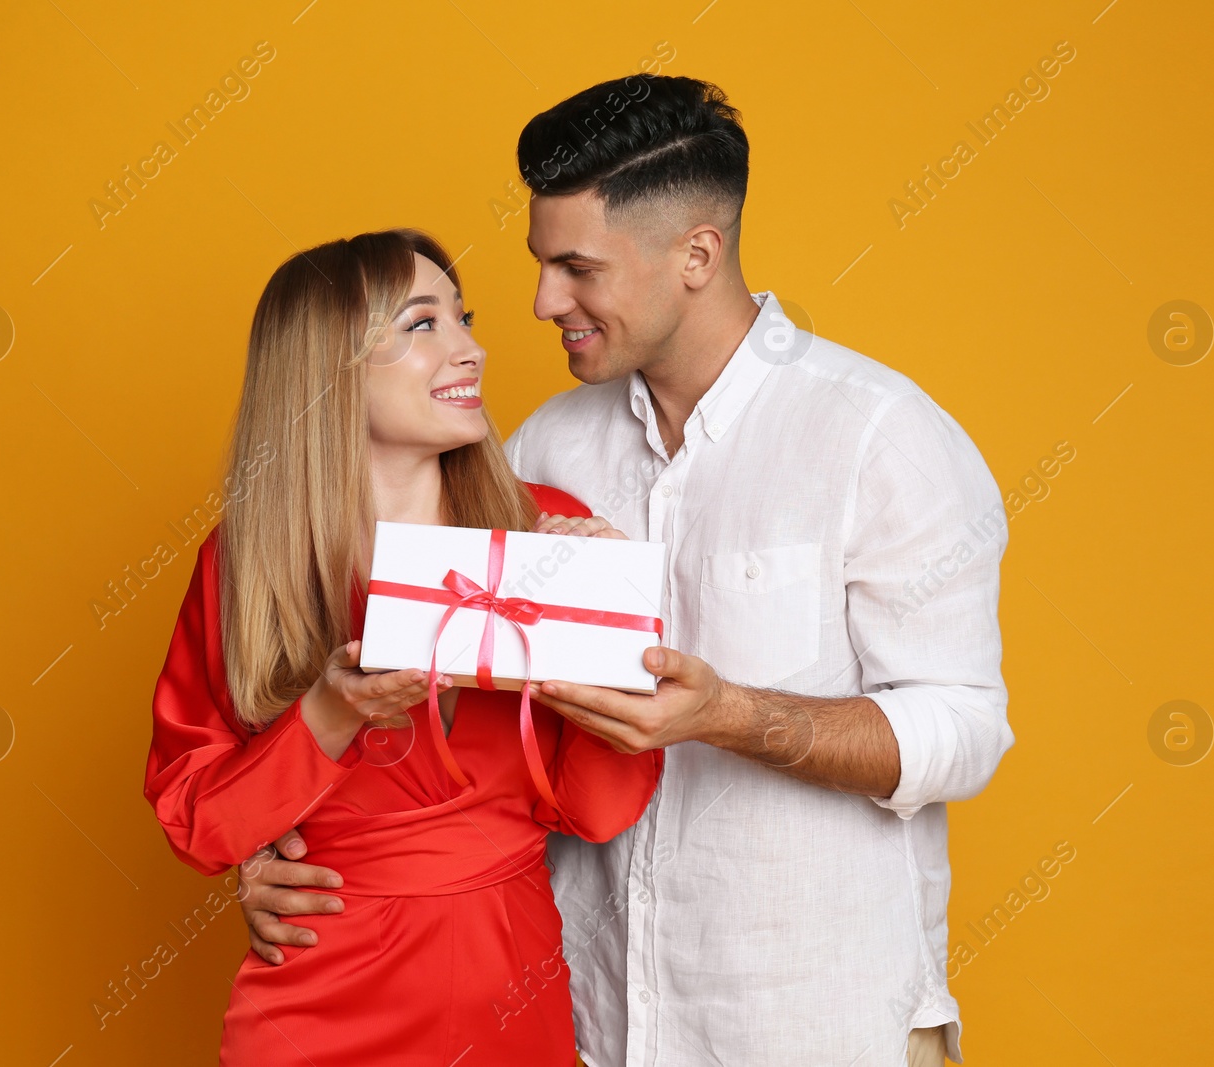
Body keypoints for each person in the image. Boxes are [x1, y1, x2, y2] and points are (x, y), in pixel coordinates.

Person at [239, 76, 1013, 1067]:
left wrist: (726, 713)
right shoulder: (535, 455)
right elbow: (428, 719)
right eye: (538, 264)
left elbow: (961, 730)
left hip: (812, 1020)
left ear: (697, 254)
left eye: (575, 268)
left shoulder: (877, 435)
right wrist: (277, 854)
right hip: (592, 1024)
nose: (539, 301)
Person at [142, 227, 663, 1066]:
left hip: (513, 990)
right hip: (322, 1004)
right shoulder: (247, 565)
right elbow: (201, 823)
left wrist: (597, 638)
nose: (472, 349)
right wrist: (327, 711)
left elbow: (600, 811)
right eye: (424, 325)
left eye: (464, 318)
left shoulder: (546, 529)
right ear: (327, 369)